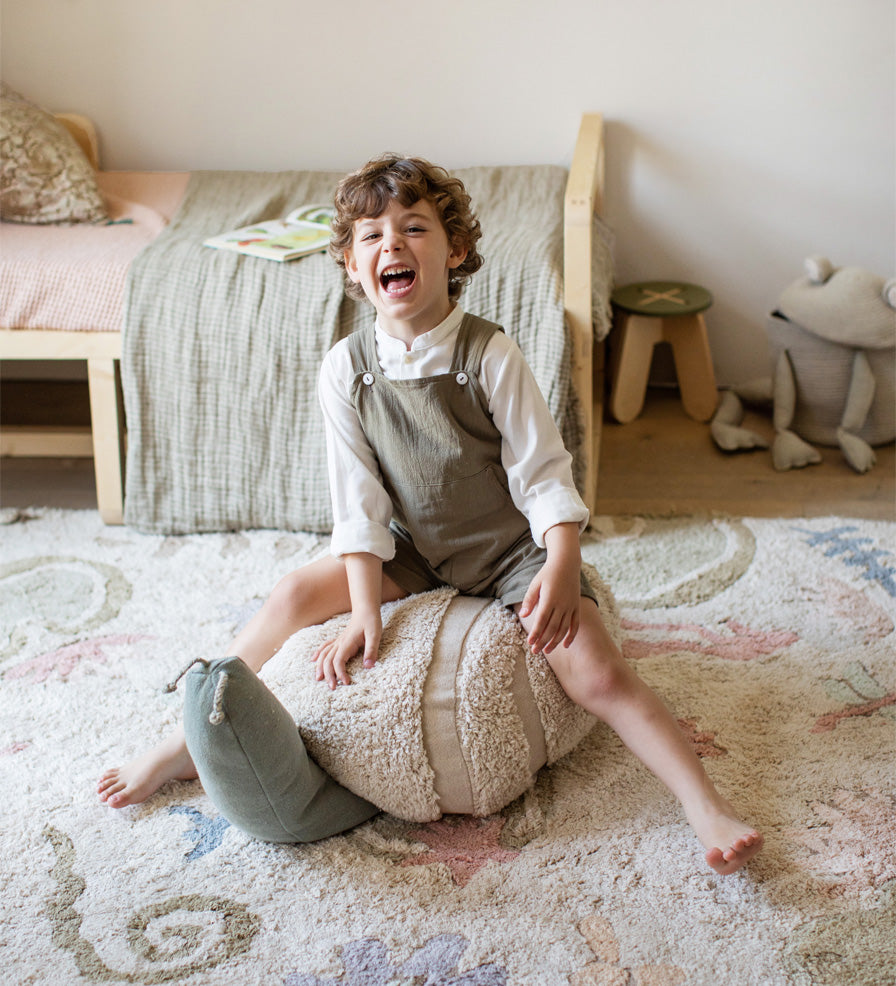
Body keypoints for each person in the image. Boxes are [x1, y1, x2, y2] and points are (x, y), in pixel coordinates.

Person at [99, 154, 762, 875]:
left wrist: (565, 566)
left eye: (414, 228)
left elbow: (544, 475)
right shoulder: (344, 370)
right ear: (353, 267)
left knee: (596, 673)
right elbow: (358, 507)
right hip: (412, 549)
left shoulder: (490, 354)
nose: (393, 245)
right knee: (292, 595)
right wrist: (364, 613)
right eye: (372, 236)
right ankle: (181, 745)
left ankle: (704, 805)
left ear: (457, 251)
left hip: (513, 551)